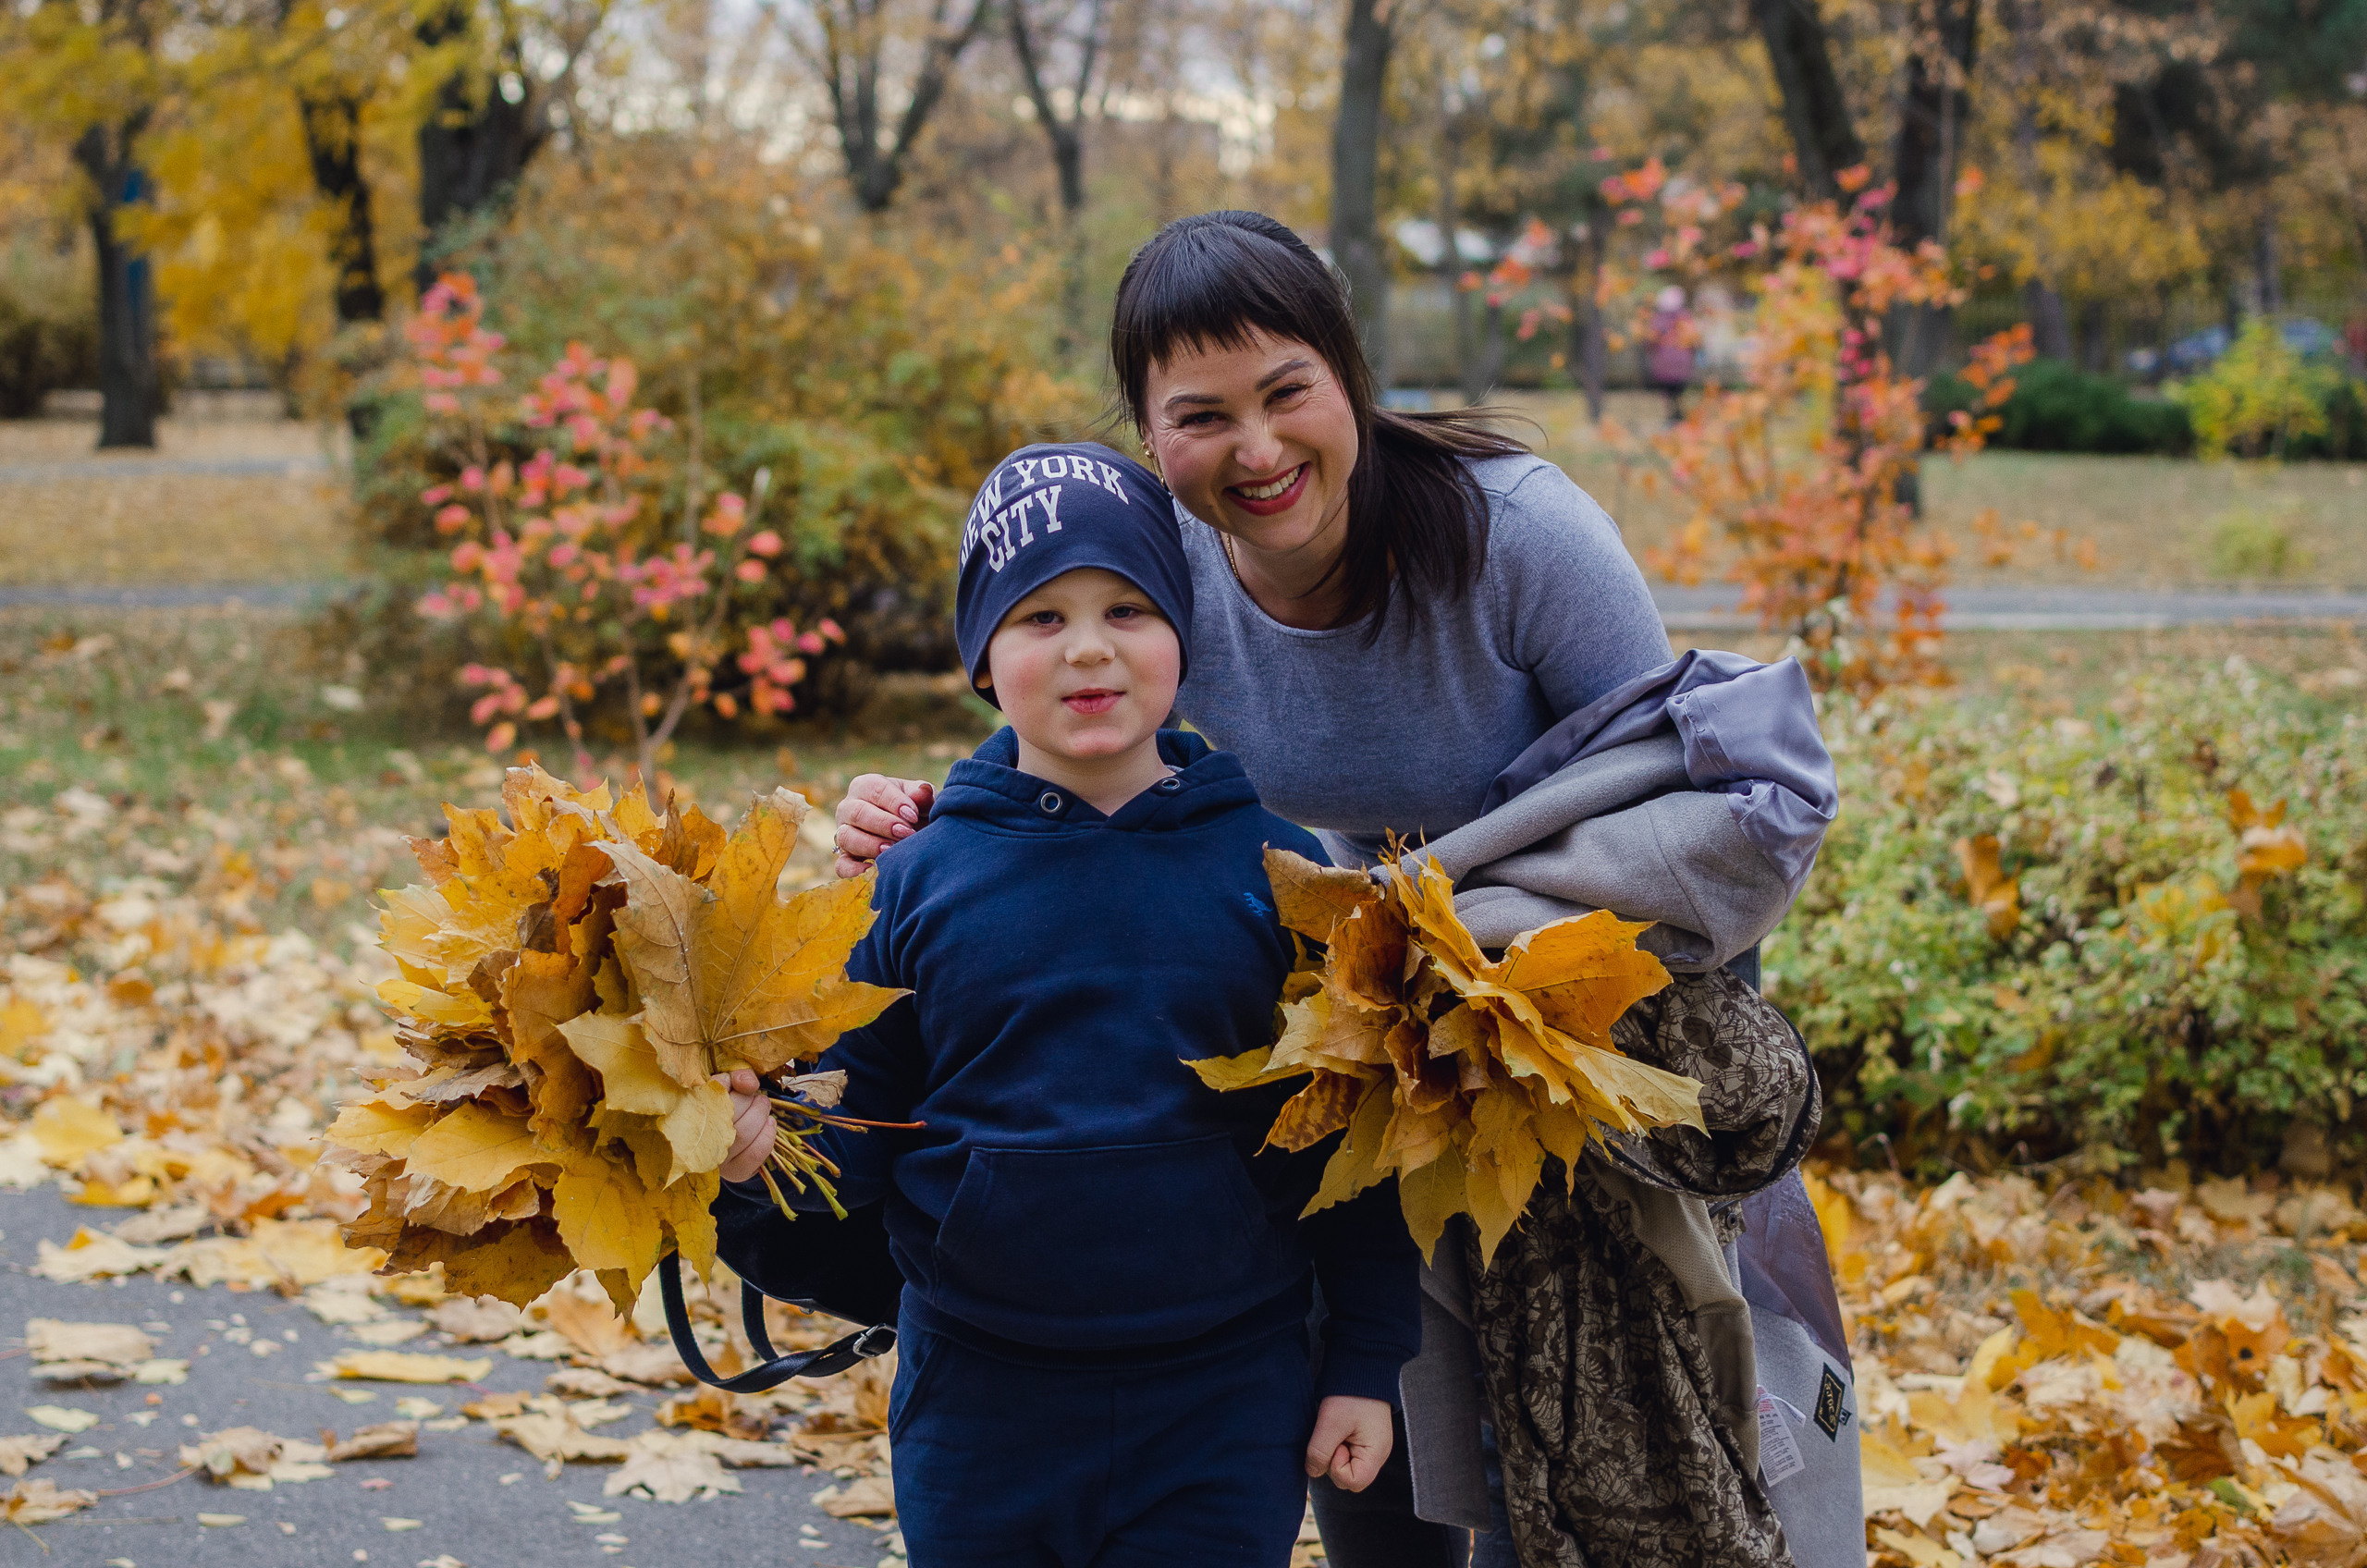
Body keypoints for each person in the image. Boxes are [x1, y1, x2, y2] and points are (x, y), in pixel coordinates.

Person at [831, 213, 1857, 1568]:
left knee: (1561, 1446)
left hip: (1545, 1023)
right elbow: (1072, 718)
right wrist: (927, 816)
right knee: (1369, 1432)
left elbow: (1666, 813)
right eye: (1203, 416)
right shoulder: (1163, 575)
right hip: (1333, 1026)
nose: (1257, 451)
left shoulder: (1521, 541)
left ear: (1350, 376)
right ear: (1152, 438)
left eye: (1286, 392)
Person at [717, 439, 1420, 1568]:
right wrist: (760, 1163)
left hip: (1225, 1395)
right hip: (982, 1398)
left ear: (1183, 638)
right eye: (1040, 617)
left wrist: (1364, 1365)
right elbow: (856, 1128)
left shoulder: (1283, 876)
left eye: (1128, 608)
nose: (1088, 646)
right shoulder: (910, 884)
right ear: (982, 657)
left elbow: (1355, 1153)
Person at [1644, 284, 1697, 423]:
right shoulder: (1686, 317)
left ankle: (1674, 415)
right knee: (1678, 392)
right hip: (1682, 364)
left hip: (1665, 364)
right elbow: (1693, 339)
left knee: (1670, 394)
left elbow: (1651, 339)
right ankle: (1677, 415)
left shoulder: (1659, 319)